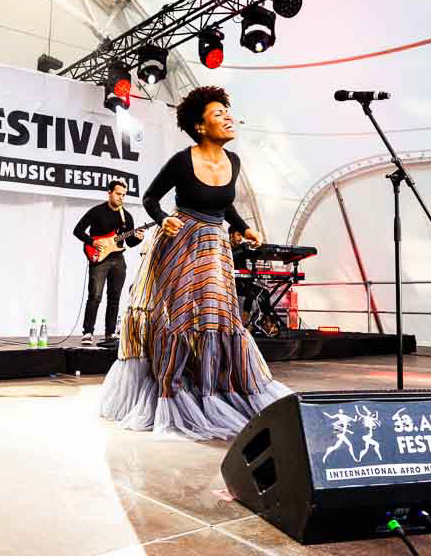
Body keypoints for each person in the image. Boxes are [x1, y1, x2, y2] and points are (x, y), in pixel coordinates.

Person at [98, 86, 292, 440]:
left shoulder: (234, 162)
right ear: (200, 126)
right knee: (179, 319)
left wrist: (244, 227)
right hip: (181, 242)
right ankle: (171, 390)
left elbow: (225, 204)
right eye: (218, 114)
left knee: (217, 318)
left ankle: (212, 389)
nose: (228, 118)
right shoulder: (182, 161)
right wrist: (163, 220)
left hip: (215, 246)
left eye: (227, 112)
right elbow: (150, 198)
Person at [73, 180, 145, 345]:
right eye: (118, 194)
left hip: (118, 258)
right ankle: (88, 332)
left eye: (123, 195)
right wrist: (92, 242)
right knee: (95, 296)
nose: (121, 197)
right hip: (99, 257)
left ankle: (110, 333)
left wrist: (138, 238)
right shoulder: (97, 211)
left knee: (115, 297)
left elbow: (130, 243)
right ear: (110, 193)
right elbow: (77, 230)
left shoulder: (126, 216)